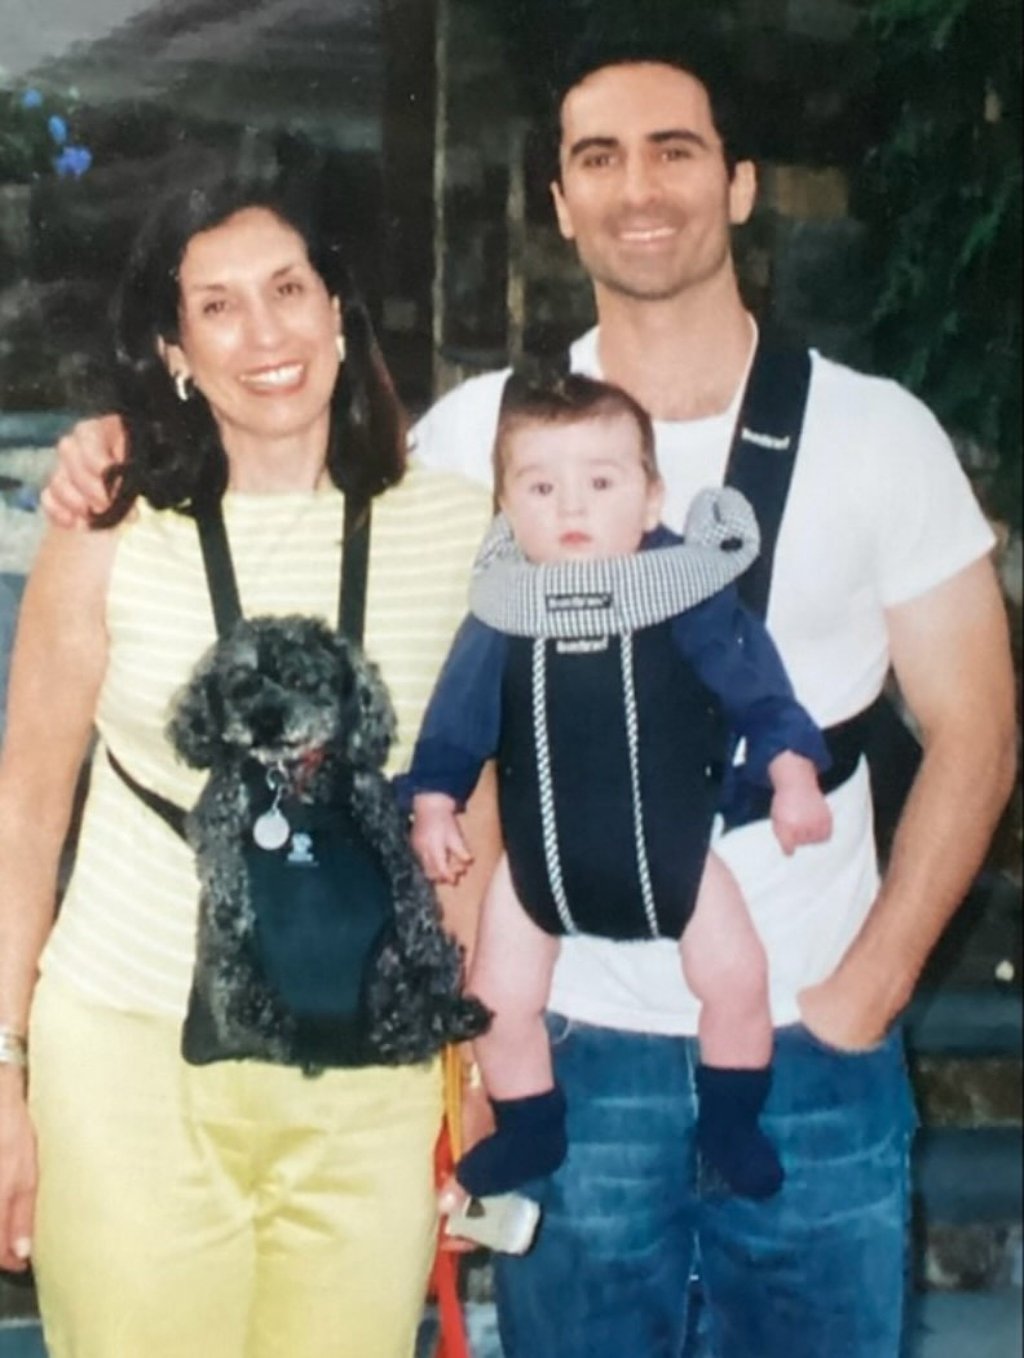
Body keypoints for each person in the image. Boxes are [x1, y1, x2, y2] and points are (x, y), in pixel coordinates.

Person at [36, 35, 1018, 1358]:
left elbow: (979, 728)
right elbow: (296, 468)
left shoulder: (874, 433)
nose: (639, 187)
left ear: (739, 184)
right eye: (596, 158)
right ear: (559, 202)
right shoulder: (474, 440)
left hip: (803, 1035)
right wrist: (112, 442)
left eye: (676, 150)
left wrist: (872, 984)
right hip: (565, 1045)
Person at [0, 174, 496, 1358]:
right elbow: (24, 810)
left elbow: (470, 810)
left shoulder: (460, 520)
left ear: (339, 313)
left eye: (288, 290)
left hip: (370, 1070)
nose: (264, 334)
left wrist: (475, 1061)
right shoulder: (106, 518)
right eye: (216, 307)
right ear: (173, 348)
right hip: (130, 1053)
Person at [404, 371, 832, 1204]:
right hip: (536, 874)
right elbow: (455, 717)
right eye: (540, 486)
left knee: (739, 981)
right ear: (505, 507)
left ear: (649, 498)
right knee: (495, 1000)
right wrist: (432, 804)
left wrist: (791, 775)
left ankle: (729, 1121)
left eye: (600, 484)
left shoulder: (688, 594)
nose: (571, 508)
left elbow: (758, 689)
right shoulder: (504, 608)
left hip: (675, 860)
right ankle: (531, 1122)